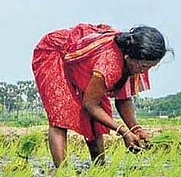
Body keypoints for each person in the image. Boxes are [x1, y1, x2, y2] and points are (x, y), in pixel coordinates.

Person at [32, 23, 169, 167]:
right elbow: (90, 104)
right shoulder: (109, 63)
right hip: (54, 53)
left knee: (96, 120)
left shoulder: (134, 62)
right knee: (61, 115)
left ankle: (100, 168)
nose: (145, 71)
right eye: (144, 67)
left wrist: (135, 129)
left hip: (86, 62)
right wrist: (123, 132)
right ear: (129, 57)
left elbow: (123, 98)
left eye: (151, 67)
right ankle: (62, 174)